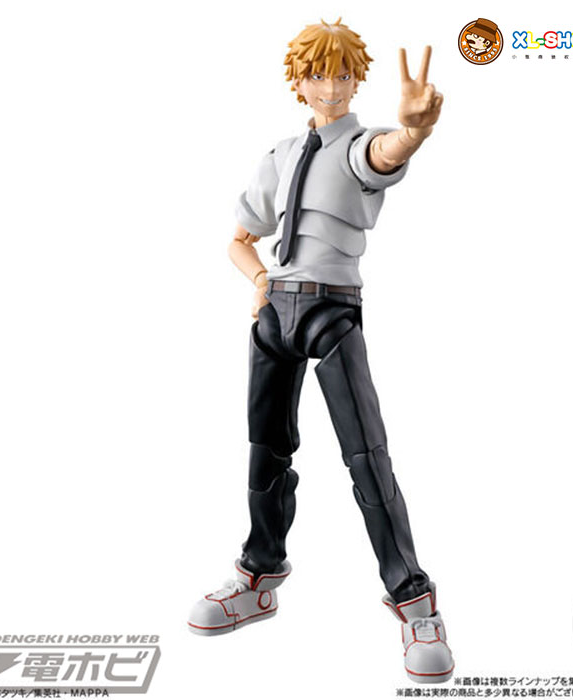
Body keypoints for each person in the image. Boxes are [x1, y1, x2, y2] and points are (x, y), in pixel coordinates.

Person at [188, 19, 454, 683]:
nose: (330, 85)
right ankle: (259, 574)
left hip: (332, 311)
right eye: (317, 74)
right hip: (275, 314)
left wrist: (414, 132)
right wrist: (258, 282)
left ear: (356, 80)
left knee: (366, 455)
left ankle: (413, 599)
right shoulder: (279, 155)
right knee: (266, 450)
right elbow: (239, 238)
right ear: (298, 82)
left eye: (342, 74)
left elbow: (384, 156)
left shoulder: (359, 146)